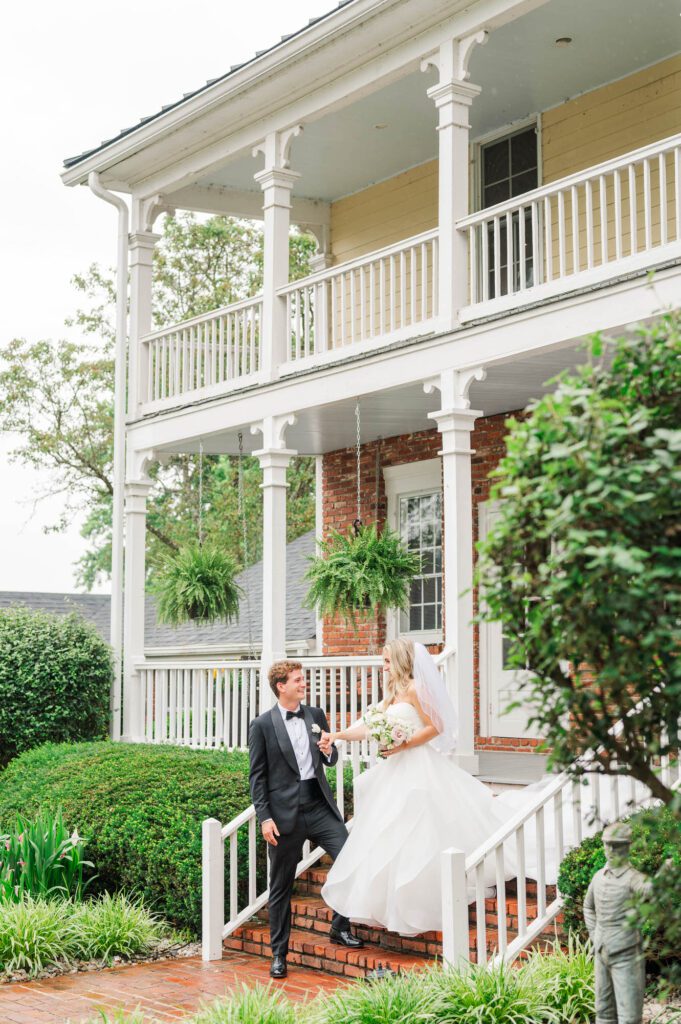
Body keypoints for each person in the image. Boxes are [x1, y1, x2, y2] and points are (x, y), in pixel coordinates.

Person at [318, 637, 510, 936]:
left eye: (386, 662)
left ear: (400, 661)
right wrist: (338, 735)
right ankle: (396, 901)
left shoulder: (416, 689)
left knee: (420, 827)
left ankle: (425, 896)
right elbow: (370, 728)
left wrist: (403, 743)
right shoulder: (391, 694)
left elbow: (437, 727)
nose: (382, 667)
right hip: (395, 769)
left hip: (418, 765)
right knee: (390, 830)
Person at [248, 660, 363, 979]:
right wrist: (265, 817)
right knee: (281, 885)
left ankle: (340, 926)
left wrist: (329, 749)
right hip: (284, 816)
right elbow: (257, 777)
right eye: (298, 680)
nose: (304, 683)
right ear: (281, 686)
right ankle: (279, 955)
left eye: (303, 679)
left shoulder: (315, 715)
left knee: (350, 859)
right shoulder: (262, 725)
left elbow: (331, 757)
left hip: (318, 805)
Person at [583, 822, 652, 1024]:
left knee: (629, 1015)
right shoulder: (598, 878)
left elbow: (653, 894)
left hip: (626, 954)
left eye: (617, 845)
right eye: (608, 845)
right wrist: (595, 934)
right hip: (601, 951)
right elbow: (588, 907)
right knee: (603, 1011)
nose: (611, 850)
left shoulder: (634, 879)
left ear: (627, 846)